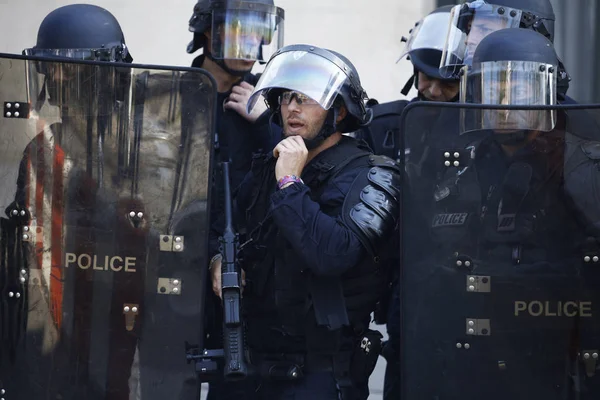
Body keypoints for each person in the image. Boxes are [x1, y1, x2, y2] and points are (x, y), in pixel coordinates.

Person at [401, 27, 600, 399]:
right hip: (470, 361)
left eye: (520, 90)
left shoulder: (580, 165)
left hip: (550, 362)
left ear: (547, 93)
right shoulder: (463, 165)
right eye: (494, 90)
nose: (505, 106)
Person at [207, 44, 401, 400]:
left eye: (307, 99)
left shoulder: (374, 175)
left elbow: (332, 255)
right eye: (287, 98)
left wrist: (291, 184)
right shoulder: (270, 165)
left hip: (321, 372)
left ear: (339, 112)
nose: (293, 108)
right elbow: (227, 227)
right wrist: (219, 261)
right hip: (249, 360)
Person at [187, 1, 285, 397]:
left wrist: (267, 122)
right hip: (179, 261)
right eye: (236, 30)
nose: (248, 44)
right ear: (208, 32)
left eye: (256, 31)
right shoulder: (171, 91)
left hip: (249, 274)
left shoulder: (274, 99)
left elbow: (295, 175)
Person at [439, 0, 574, 101]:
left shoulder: (568, 122)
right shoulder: (461, 107)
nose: (468, 40)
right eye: (469, 30)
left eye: (484, 29)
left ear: (525, 34)